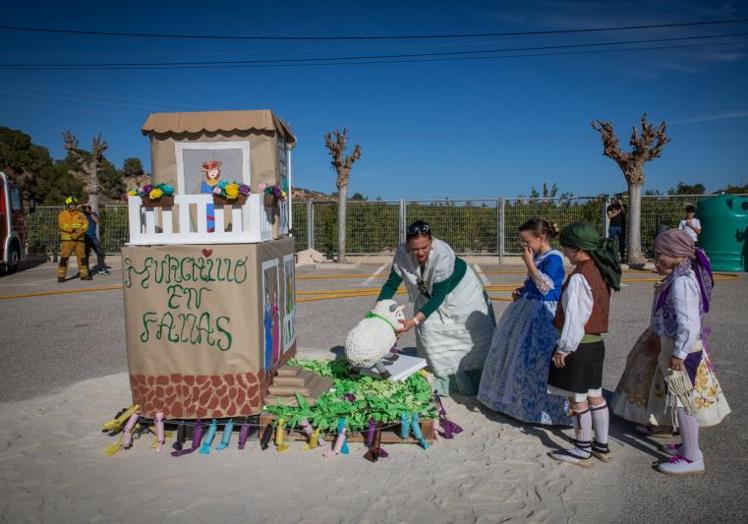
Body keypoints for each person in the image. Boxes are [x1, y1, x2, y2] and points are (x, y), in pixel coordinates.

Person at [644, 229, 729, 475]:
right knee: (681, 399)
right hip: (677, 346)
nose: (657, 259)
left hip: (681, 349)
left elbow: (689, 323)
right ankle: (687, 446)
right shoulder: (679, 275)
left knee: (682, 401)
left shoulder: (682, 282)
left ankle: (692, 457)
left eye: (660, 254)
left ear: (675, 253)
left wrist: (679, 353)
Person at [377, 220, 495, 396]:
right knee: (430, 332)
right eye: (415, 249)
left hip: (461, 291)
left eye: (425, 247)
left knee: (467, 332)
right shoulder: (402, 253)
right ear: (408, 245)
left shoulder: (443, 254)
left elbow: (439, 296)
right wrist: (378, 312)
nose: (420, 252)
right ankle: (443, 379)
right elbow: (391, 284)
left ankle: (473, 379)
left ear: (431, 241)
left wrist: (414, 320)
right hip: (427, 291)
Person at [478, 218, 571, 426]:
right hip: (528, 308)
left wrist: (529, 264)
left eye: (527, 241)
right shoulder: (539, 256)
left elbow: (546, 286)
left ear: (541, 237)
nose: (524, 246)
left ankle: (541, 410)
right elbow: (534, 284)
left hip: (543, 313)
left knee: (536, 358)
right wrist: (523, 290)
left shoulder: (553, 258)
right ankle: (517, 403)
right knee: (517, 355)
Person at [547, 221, 621, 466]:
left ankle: (582, 449)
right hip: (596, 345)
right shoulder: (601, 269)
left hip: (578, 346)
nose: (565, 252)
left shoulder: (580, 277)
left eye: (566, 248)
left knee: (577, 399)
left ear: (577, 248)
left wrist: (563, 348)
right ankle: (602, 445)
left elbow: (575, 319)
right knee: (596, 396)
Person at [57, 196, 91, 282]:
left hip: (79, 240)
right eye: (71, 205)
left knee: (82, 258)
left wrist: (78, 233)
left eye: (74, 204)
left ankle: (84, 275)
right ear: (67, 205)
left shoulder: (81, 215)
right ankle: (61, 276)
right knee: (64, 258)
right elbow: (62, 225)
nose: (73, 206)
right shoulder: (63, 214)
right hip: (67, 240)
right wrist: (72, 231)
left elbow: (86, 225)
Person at [82, 205, 109, 275]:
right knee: (86, 254)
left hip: (93, 237)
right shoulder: (81, 215)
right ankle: (85, 270)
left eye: (88, 208)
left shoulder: (93, 214)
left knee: (100, 252)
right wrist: (82, 205)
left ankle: (101, 267)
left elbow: (96, 221)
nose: (86, 209)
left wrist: (90, 213)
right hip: (85, 237)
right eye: (85, 208)